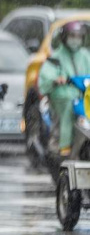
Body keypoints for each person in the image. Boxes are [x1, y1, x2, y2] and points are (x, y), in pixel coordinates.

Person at [38, 21, 90, 157]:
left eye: (79, 36)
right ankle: (63, 146)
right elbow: (45, 77)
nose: (75, 39)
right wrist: (56, 79)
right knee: (68, 106)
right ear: (64, 37)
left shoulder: (85, 56)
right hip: (62, 96)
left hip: (83, 96)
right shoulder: (56, 57)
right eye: (72, 35)